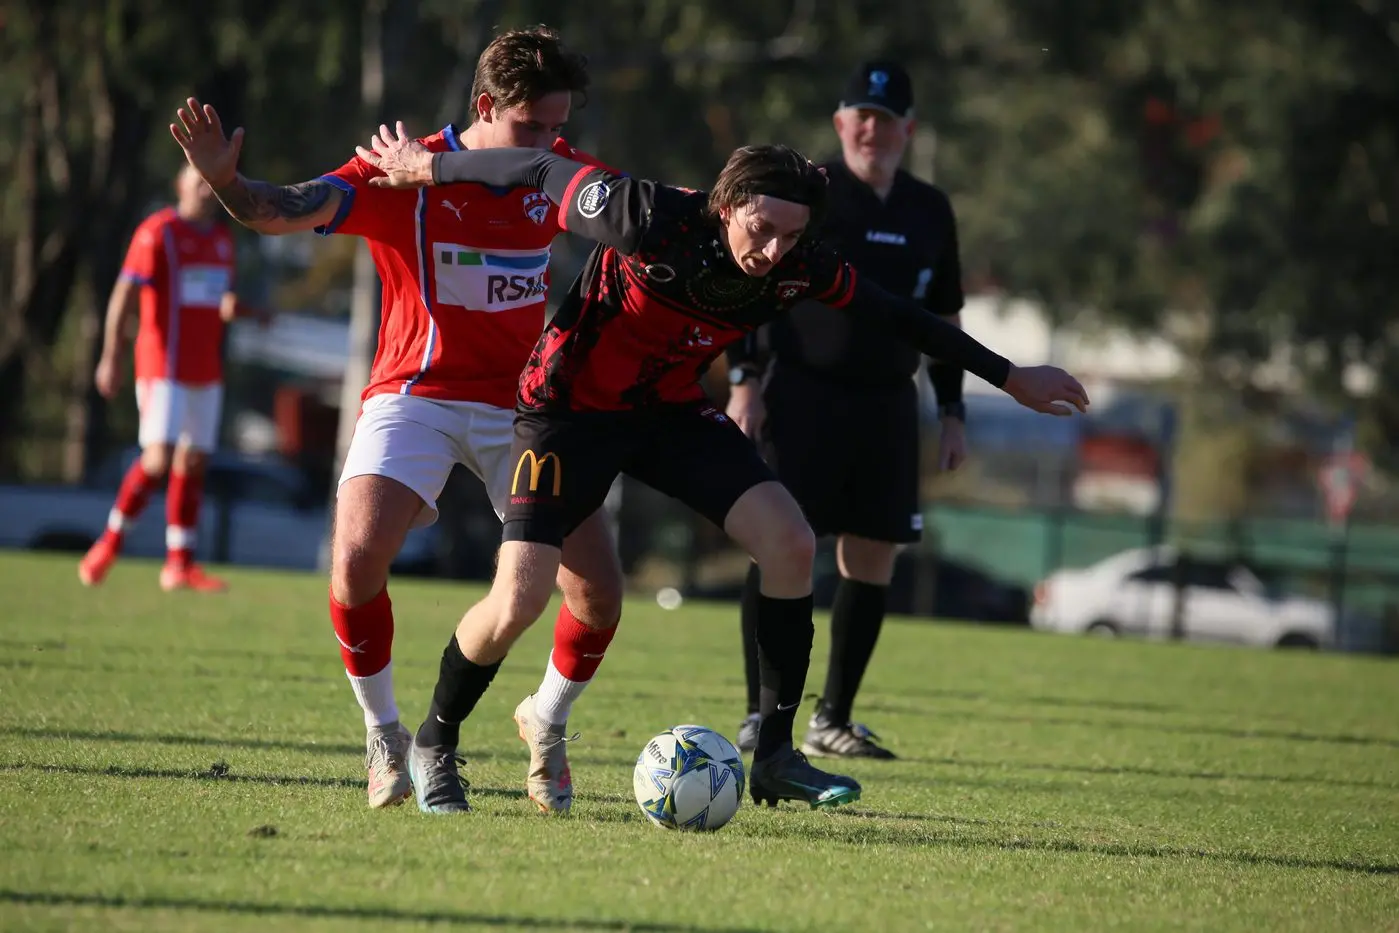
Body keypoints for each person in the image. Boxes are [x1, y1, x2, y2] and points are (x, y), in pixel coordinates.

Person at [354, 123, 1088, 813]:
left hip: (667, 411)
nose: (771, 252)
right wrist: (434, 167)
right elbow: (541, 166)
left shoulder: (801, 264)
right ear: (726, 205)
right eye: (760, 230)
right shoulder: (649, 216)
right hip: (566, 414)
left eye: (790, 236)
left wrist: (1009, 374)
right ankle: (436, 738)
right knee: (520, 596)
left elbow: (900, 313)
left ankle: (772, 753)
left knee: (791, 542)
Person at [169, 26, 626, 813]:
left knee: (599, 594)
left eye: (558, 125)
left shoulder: (556, 173)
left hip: (523, 407)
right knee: (353, 555)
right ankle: (385, 733)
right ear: (485, 106)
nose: (550, 142)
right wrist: (225, 184)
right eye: (531, 127)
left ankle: (544, 722)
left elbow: (633, 217)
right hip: (414, 393)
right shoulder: (397, 173)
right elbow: (278, 211)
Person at [725, 61, 967, 760]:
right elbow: (752, 276)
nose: (872, 129)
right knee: (778, 545)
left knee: (872, 553)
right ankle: (756, 711)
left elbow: (943, 316)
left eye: (886, 118)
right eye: (860, 115)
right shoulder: (811, 193)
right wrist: (744, 378)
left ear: (908, 130)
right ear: (839, 124)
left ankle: (832, 718)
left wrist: (951, 408)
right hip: (800, 395)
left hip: (889, 402)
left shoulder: (929, 209)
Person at [79, 164, 258, 594]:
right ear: (179, 186)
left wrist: (237, 308)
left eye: (210, 186)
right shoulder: (157, 233)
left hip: (205, 368)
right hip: (163, 364)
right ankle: (110, 541)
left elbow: (219, 296)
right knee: (157, 459)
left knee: (193, 461)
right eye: (197, 183)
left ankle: (178, 564)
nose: (204, 191)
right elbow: (124, 292)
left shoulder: (220, 238)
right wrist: (110, 356)